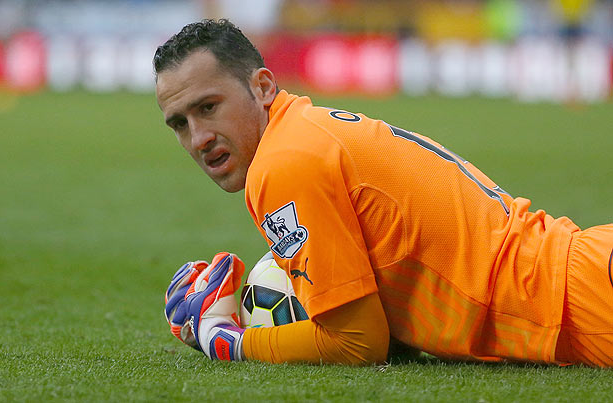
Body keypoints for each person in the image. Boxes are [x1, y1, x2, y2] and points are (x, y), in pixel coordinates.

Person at [155, 19, 613, 367]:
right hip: (580, 272)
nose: (198, 138)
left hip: (583, 301)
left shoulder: (284, 161)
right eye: (180, 123)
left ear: (263, 86)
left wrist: (227, 340)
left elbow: (357, 342)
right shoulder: (304, 130)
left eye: (208, 108)